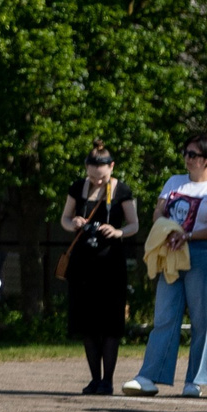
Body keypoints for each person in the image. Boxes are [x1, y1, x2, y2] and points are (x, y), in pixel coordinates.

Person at [125, 135, 207, 398]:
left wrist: (188, 236)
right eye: (186, 153)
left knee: (202, 319)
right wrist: (167, 232)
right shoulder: (174, 181)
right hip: (171, 251)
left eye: (194, 155)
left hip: (201, 253)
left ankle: (196, 380)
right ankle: (149, 376)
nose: (187, 159)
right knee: (165, 315)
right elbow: (159, 212)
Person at [60, 145, 138, 397]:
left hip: (111, 264)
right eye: (92, 176)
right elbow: (64, 218)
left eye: (101, 176)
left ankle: (108, 380)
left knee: (110, 324)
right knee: (88, 324)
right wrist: (73, 223)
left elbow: (134, 224)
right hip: (83, 265)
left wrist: (117, 232)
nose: (97, 181)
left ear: (112, 167)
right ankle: (94, 379)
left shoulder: (122, 190)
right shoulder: (77, 187)